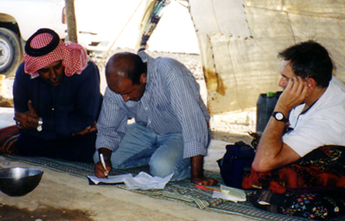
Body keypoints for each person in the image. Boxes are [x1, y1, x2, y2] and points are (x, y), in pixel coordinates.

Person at [94, 51, 216, 185]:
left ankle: (177, 164)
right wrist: (104, 158)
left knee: (162, 169)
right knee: (106, 158)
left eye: (128, 93)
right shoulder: (119, 85)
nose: (125, 98)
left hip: (181, 132)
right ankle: (159, 156)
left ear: (143, 78)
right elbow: (108, 127)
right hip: (146, 129)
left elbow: (193, 123)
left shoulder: (170, 73)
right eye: (120, 94)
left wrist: (197, 174)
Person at [252, 40, 345, 172]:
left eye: (286, 78)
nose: (280, 83)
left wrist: (281, 109)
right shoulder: (322, 83)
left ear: (309, 84)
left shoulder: (329, 121)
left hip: (326, 176)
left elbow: (261, 164)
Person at [13, 28, 102, 162]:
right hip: (44, 136)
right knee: (24, 145)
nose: (53, 75)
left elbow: (85, 121)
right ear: (36, 69)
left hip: (77, 139)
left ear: (64, 60)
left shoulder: (85, 70)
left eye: (57, 67)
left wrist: (41, 123)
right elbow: (24, 121)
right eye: (45, 71)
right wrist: (68, 127)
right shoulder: (24, 74)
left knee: (86, 151)